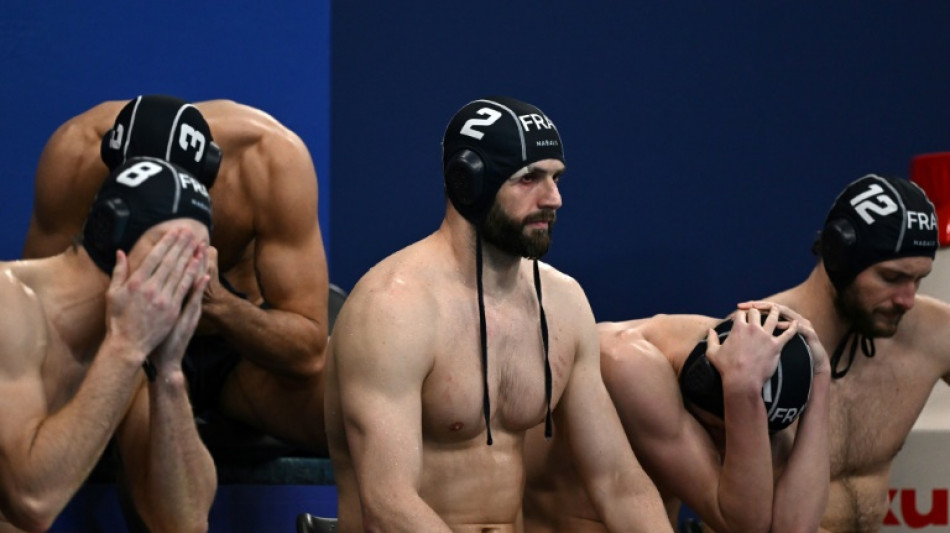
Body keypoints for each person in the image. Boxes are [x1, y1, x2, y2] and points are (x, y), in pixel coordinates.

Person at [323, 96, 671, 532]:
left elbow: (617, 482)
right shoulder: (393, 308)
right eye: (530, 179)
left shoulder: (561, 302)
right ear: (469, 182)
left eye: (557, 178)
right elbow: (388, 504)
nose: (554, 198)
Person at [23, 95, 329, 453]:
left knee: (356, 420)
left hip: (242, 353)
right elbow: (39, 326)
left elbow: (308, 351)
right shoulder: (75, 156)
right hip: (131, 344)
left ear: (210, 176)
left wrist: (218, 301)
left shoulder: (269, 160)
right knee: (150, 466)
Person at [0, 157, 217, 532]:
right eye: (175, 252)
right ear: (110, 233)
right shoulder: (9, 307)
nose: (192, 274)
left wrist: (168, 372)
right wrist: (126, 348)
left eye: (201, 257)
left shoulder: (127, 350)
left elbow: (184, 522)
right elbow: (31, 501)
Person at [524, 303, 830, 533]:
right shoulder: (624, 361)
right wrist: (741, 393)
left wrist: (820, 378)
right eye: (719, 430)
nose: (729, 447)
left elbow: (794, 528)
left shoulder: (757, 372)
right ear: (701, 381)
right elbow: (744, 523)